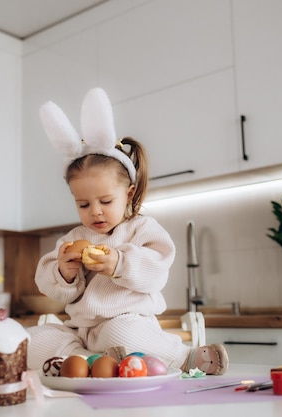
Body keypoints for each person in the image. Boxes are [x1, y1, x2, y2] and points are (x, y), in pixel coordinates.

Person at [27, 87, 228, 375]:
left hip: (125, 322)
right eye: (83, 203)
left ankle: (186, 357)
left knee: (122, 334)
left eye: (105, 201)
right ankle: (86, 363)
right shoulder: (73, 238)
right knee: (35, 337)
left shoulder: (142, 228)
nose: (94, 211)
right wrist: (63, 272)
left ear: (129, 193)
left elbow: (158, 268)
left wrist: (120, 263)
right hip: (80, 331)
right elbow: (46, 282)